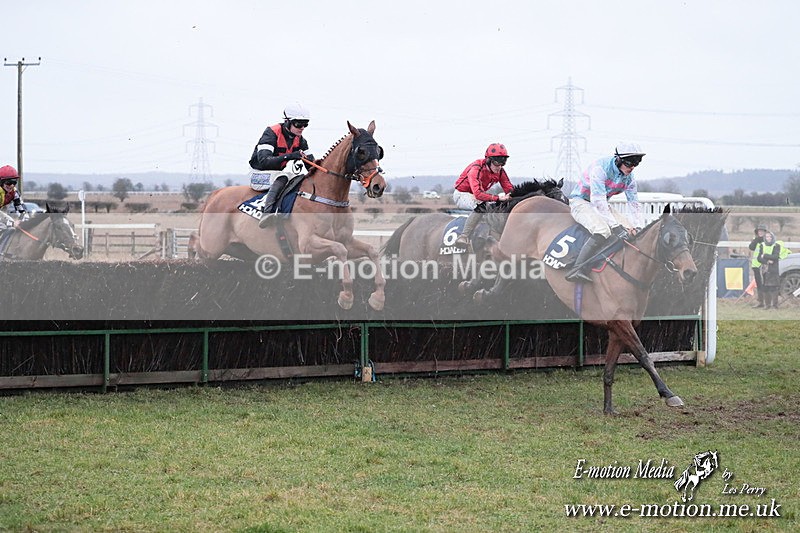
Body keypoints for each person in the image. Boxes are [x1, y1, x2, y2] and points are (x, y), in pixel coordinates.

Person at [564, 142, 646, 283]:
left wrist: (638, 226)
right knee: (603, 230)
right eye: (629, 163)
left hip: (601, 203)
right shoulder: (600, 169)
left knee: (630, 230)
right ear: (619, 159)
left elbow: (634, 204)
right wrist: (615, 226)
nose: (632, 167)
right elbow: (598, 202)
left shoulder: (630, 178)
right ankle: (577, 268)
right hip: (581, 202)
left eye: (636, 163)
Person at [249, 103, 314, 228]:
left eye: (305, 124)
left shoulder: (301, 140)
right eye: (298, 124)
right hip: (259, 173)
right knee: (284, 177)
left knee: (300, 177)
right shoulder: (271, 133)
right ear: (287, 121)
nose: (302, 128)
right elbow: (264, 161)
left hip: (276, 174)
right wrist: (290, 156)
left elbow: (311, 165)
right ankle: (266, 213)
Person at [452, 143, 514, 248]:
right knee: (482, 206)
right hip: (462, 195)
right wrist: (498, 198)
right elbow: (478, 194)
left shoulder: (500, 171)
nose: (499, 166)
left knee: (499, 204)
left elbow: (510, 189)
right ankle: (463, 236)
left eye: (502, 163)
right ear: (489, 160)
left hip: (477, 196)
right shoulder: (476, 169)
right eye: (497, 163)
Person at [757, 231, 782, 309]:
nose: (768, 238)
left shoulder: (776, 245)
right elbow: (759, 258)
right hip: (765, 269)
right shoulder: (762, 245)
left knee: (774, 287)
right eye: (767, 237)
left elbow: (775, 256)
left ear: (773, 237)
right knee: (766, 287)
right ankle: (767, 305)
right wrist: (766, 261)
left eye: (770, 237)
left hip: (773, 269)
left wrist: (765, 255)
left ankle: (775, 305)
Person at [748, 224, 768, 308]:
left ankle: (765, 302)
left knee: (764, 284)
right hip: (756, 266)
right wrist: (756, 240)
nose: (760, 232)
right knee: (759, 284)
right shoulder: (756, 240)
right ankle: (760, 302)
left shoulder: (766, 241)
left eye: (762, 231)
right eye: (759, 231)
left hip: (763, 265)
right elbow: (751, 247)